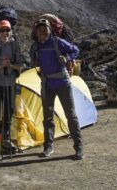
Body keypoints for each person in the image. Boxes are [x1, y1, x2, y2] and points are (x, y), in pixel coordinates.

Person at [30, 18, 84, 160]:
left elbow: (76, 50)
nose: (42, 32)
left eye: (44, 29)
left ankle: (79, 147)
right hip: (47, 83)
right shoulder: (36, 46)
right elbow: (34, 61)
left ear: (49, 30)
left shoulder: (57, 42)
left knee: (70, 115)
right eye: (39, 29)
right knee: (47, 117)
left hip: (62, 82)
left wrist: (66, 58)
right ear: (36, 32)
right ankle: (48, 147)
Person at [0, 20, 21, 160]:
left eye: (7, 30)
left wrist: (10, 65)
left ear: (10, 31)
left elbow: (20, 66)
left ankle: (6, 141)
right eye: (2, 30)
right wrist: (0, 66)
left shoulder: (15, 46)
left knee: (9, 114)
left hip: (9, 84)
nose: (5, 33)